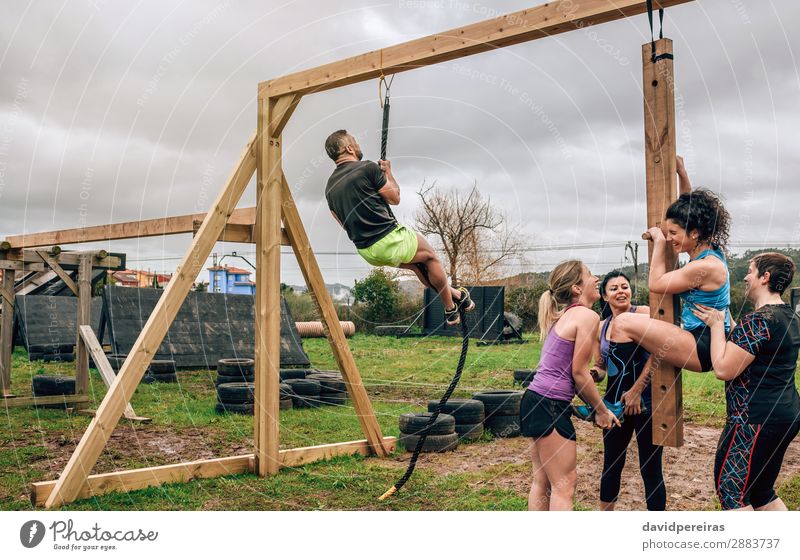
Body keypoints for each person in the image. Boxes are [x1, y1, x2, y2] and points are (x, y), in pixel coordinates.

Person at [324, 130, 474, 325]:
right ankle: (450, 309)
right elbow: (394, 197)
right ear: (349, 148)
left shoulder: (329, 189)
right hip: (388, 239)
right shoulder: (367, 168)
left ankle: (456, 294)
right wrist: (387, 172)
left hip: (368, 251)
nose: (358, 145)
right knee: (430, 257)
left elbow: (343, 225)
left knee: (418, 265)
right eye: (355, 142)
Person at [692, 252, 800, 511]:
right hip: (785, 415)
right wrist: (732, 324)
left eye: (751, 271)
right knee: (762, 492)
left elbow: (724, 369)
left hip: (753, 420)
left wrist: (717, 326)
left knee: (733, 492)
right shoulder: (790, 318)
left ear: (765, 277)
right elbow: (759, 346)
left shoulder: (758, 321)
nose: (746, 276)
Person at [610, 156, 732, 373]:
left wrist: (658, 241)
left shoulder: (704, 267)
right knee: (632, 320)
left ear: (694, 234)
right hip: (700, 337)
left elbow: (656, 283)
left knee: (623, 322)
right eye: (668, 233)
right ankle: (626, 392)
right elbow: (690, 208)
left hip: (703, 345)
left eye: (673, 233)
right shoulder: (707, 247)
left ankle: (615, 398)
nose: (669, 238)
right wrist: (681, 173)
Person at [519, 260, 621, 511]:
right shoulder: (587, 315)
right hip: (550, 405)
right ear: (577, 288)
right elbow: (577, 373)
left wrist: (593, 383)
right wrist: (600, 410)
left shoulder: (565, 315)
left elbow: (573, 372)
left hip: (535, 399)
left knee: (542, 481)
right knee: (565, 485)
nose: (597, 279)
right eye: (590, 275)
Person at [595, 271, 666, 511]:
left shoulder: (644, 313)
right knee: (612, 464)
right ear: (605, 296)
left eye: (624, 286)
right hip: (613, 408)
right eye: (613, 288)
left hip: (647, 403)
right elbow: (602, 366)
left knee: (651, 468)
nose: (621, 291)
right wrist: (593, 373)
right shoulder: (602, 326)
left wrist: (637, 389)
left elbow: (662, 350)